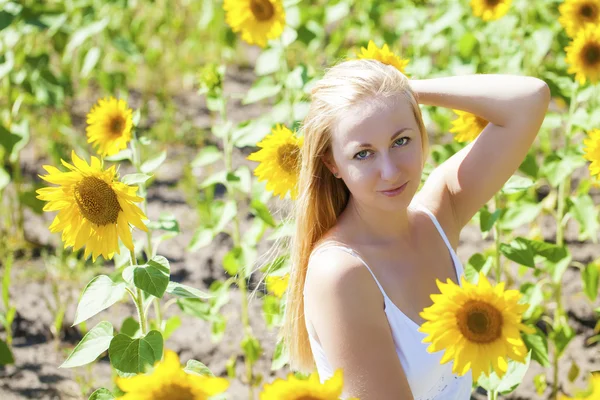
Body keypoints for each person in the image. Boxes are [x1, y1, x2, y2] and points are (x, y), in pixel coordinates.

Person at [280, 58, 550, 399]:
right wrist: (394, 101)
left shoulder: (438, 214)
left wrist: (403, 91)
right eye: (364, 154)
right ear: (332, 163)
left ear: (421, 135)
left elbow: (529, 99)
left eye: (401, 141)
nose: (390, 171)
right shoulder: (342, 273)